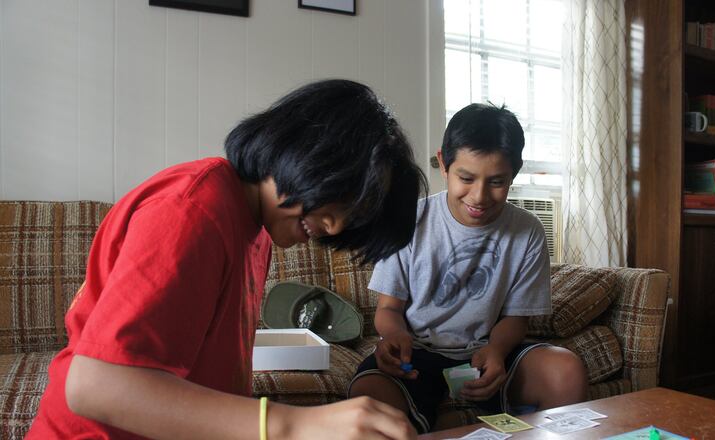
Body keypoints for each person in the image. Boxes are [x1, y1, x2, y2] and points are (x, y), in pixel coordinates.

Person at [27, 79, 426, 440]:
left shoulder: (257, 231)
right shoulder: (192, 210)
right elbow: (94, 385)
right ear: (309, 151)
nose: (336, 226)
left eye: (355, 217)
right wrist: (293, 425)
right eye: (343, 196)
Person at [347, 103, 588, 433]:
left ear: (514, 174)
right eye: (466, 178)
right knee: (366, 398)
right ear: (443, 165)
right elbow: (389, 308)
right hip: (416, 354)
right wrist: (396, 335)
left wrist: (496, 350)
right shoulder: (409, 220)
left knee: (566, 370)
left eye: (497, 182)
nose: (479, 196)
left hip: (485, 351)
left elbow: (516, 319)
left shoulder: (527, 230)